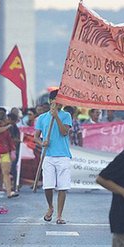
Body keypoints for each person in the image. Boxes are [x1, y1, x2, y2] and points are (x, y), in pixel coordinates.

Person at [34, 90, 73, 223]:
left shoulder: (66, 115)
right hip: (48, 156)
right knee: (48, 185)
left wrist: (56, 117)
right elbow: (36, 137)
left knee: (62, 187)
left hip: (63, 155)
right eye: (58, 99)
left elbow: (64, 132)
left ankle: (59, 215)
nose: (60, 102)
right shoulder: (42, 118)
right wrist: (41, 142)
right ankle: (50, 207)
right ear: (51, 101)